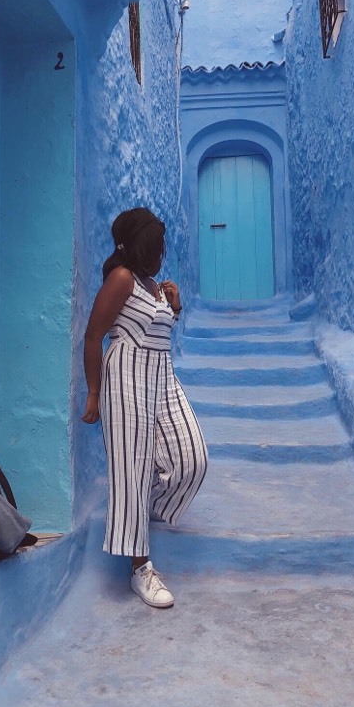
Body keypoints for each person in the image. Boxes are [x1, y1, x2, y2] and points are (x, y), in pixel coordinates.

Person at [82, 207, 208, 608]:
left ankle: (143, 507)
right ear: (136, 247)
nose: (161, 255)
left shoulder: (153, 284)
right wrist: (92, 393)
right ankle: (141, 570)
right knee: (132, 467)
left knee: (192, 458)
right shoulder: (121, 279)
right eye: (155, 249)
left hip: (162, 376)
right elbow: (92, 337)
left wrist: (175, 307)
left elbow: (158, 328)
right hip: (126, 377)